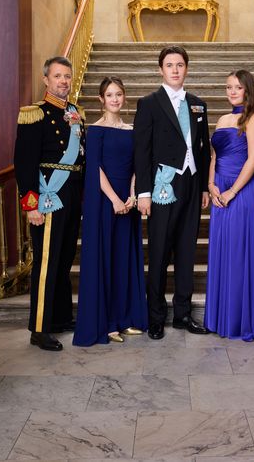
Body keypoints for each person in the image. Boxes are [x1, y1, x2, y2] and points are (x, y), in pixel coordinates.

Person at [134, 45, 211, 340]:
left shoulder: (198, 104)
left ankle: (182, 314)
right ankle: (156, 317)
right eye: (170, 65)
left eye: (180, 64)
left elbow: (202, 150)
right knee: (159, 253)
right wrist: (143, 192)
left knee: (187, 252)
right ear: (161, 70)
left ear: (187, 69)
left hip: (191, 184)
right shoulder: (149, 103)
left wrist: (203, 184)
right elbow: (142, 152)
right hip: (163, 186)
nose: (175, 69)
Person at [14, 56, 86, 351]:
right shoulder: (34, 114)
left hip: (72, 195)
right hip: (48, 195)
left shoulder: (75, 113)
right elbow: (23, 162)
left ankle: (59, 317)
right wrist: (31, 205)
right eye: (58, 76)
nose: (64, 81)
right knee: (46, 262)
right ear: (46, 80)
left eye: (67, 76)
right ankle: (40, 327)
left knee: (65, 257)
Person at [73, 77, 148, 346]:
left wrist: (131, 195)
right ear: (101, 99)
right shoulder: (94, 130)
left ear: (124, 97)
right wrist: (115, 200)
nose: (115, 99)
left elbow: (137, 166)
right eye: (110, 95)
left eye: (119, 94)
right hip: (103, 201)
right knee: (104, 259)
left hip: (126, 201)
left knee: (123, 259)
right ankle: (105, 324)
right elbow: (95, 169)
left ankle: (125, 318)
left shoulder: (131, 129)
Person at [204, 70, 254, 341]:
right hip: (220, 190)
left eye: (238, 87)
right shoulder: (222, 118)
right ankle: (223, 318)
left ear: (248, 90)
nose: (232, 91)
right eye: (228, 87)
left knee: (239, 252)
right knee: (223, 251)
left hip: (242, 191)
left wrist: (233, 191)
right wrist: (211, 186)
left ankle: (242, 319)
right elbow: (214, 155)